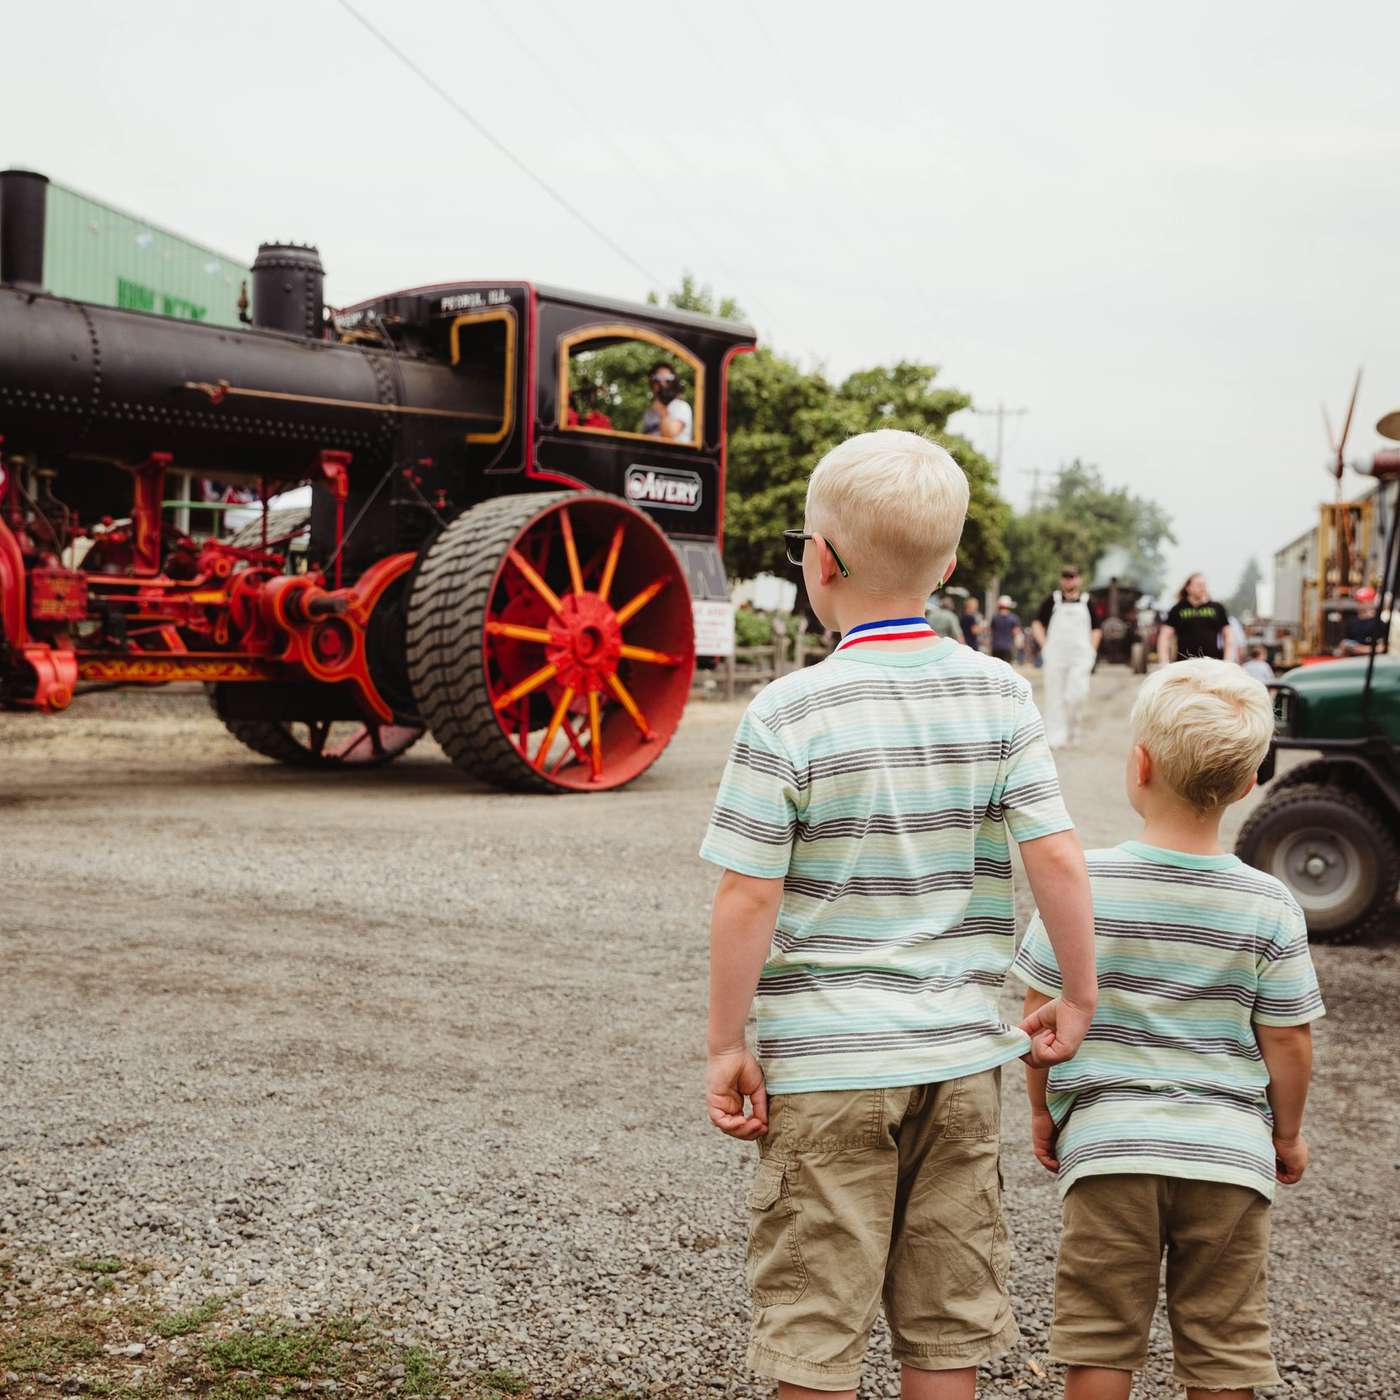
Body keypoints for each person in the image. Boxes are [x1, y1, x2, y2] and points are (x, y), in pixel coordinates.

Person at [700, 428, 1098, 1399]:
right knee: (940, 1325)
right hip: (960, 1059)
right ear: (949, 562)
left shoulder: (787, 710)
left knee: (814, 1319)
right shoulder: (999, 692)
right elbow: (1052, 853)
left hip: (827, 1063)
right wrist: (1076, 993)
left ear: (819, 559)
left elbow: (747, 891)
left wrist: (724, 1038)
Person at [1013, 659, 1323, 1400]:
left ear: (1139, 765)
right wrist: (1285, 1135)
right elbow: (1289, 1040)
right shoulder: (1270, 904)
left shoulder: (1084, 886)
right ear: (1250, 784)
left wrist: (1040, 1112)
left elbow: (1040, 1018)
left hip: (1110, 1148)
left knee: (1100, 1338)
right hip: (1228, 1158)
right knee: (1223, 1345)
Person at [1032, 567, 1103, 750]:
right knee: (1054, 696)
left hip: (1080, 656)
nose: (1069, 581)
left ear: (1079, 579)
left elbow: (1096, 629)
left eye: (1072, 577)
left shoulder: (1088, 602)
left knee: (1076, 694)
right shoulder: (1052, 600)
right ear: (1061, 580)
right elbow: (1037, 623)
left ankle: (1074, 730)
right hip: (1056, 655)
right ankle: (1055, 736)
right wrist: (1044, 646)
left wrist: (1091, 651)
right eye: (1065, 577)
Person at [1158, 572, 1235, 663]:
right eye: (1198, 585)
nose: (1202, 587)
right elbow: (1164, 636)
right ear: (1188, 588)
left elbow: (1228, 634)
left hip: (1213, 663)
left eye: (1204, 584)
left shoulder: (1217, 607)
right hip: (1184, 664)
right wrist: (1164, 662)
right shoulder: (1177, 609)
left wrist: (1228, 660)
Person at [640, 361, 693, 441]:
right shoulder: (650, 411)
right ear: (651, 384)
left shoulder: (681, 406)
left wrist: (662, 411)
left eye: (667, 380)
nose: (662, 384)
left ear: (674, 383)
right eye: (657, 380)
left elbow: (669, 435)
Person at [1336, 586, 1386, 655]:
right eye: (1357, 601)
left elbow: (1383, 647)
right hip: (1352, 661)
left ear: (1371, 602)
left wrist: (1361, 649)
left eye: (1362, 602)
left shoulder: (1379, 623)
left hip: (1369, 661)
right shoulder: (1351, 622)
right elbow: (1343, 644)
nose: (1359, 604)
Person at [988, 594, 1024, 664]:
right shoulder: (1014, 618)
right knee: (1007, 668)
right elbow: (1016, 632)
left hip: (996, 646)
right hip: (1008, 646)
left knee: (996, 667)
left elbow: (991, 631)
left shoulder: (995, 617)